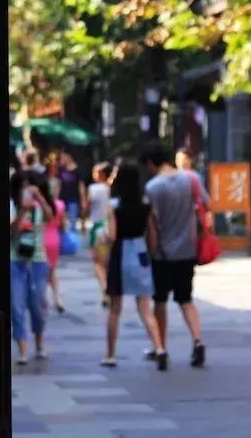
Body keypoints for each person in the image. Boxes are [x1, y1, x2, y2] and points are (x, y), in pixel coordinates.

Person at [140, 141, 205, 370]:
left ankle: (161, 347)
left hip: (163, 253)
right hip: (188, 249)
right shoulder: (190, 180)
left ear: (151, 163)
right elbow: (204, 206)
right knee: (186, 299)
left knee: (160, 301)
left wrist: (151, 251)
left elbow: (153, 225)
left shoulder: (152, 187)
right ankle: (198, 340)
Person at [101, 161, 163, 367]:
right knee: (145, 308)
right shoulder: (146, 206)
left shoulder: (113, 206)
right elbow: (153, 235)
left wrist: (103, 237)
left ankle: (111, 355)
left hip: (120, 253)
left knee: (115, 308)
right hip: (140, 252)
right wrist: (151, 254)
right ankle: (159, 348)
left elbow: (111, 235)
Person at [10, 170, 54, 364]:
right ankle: (22, 349)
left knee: (38, 305)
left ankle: (39, 342)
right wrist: (22, 211)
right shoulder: (12, 206)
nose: (27, 191)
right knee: (16, 306)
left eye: (30, 187)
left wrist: (40, 199)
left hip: (37, 260)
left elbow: (50, 217)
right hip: (15, 260)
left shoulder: (39, 207)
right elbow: (10, 231)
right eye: (23, 187)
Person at [87, 163, 113, 305]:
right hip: (111, 227)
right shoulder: (112, 188)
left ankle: (104, 288)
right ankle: (108, 291)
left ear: (101, 174)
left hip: (97, 227)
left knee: (98, 263)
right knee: (108, 262)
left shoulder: (94, 188)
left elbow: (87, 205)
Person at [43, 198, 66, 313]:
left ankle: (45, 298)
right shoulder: (60, 204)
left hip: (41, 239)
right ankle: (58, 298)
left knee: (41, 272)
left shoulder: (38, 204)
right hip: (55, 239)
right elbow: (63, 224)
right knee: (52, 271)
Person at [57, 151, 88, 232]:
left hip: (73, 198)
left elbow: (81, 186)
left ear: (69, 156)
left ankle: (72, 237)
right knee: (60, 222)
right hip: (62, 198)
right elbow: (59, 184)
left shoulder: (78, 169)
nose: (62, 158)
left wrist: (83, 200)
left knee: (72, 221)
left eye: (63, 156)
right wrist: (56, 198)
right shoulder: (61, 169)